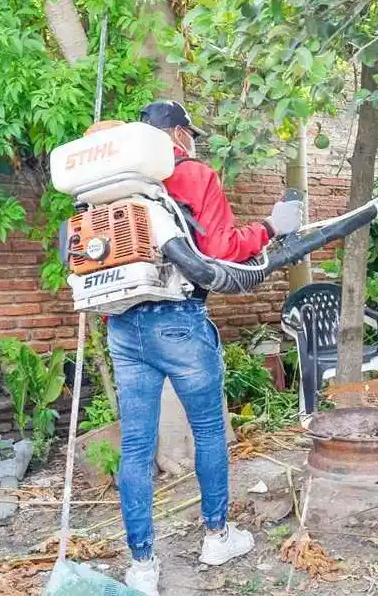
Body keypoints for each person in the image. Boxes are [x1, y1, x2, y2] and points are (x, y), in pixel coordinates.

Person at [106, 100, 302, 596]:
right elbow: (221, 250)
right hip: (178, 319)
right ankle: (217, 536)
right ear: (176, 135)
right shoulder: (191, 172)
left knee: (134, 447)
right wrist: (272, 228)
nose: (190, 141)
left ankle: (142, 567)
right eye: (187, 133)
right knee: (210, 431)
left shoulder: (107, 185)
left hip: (122, 326)